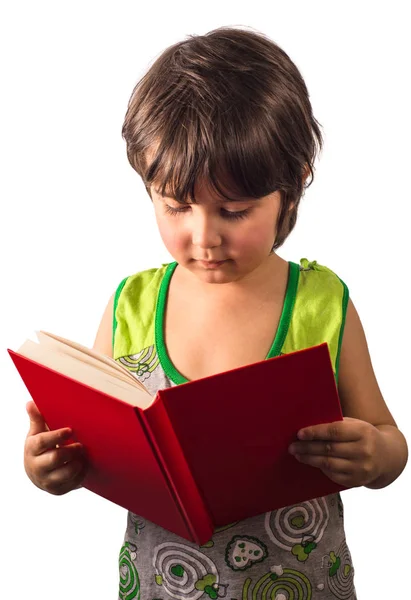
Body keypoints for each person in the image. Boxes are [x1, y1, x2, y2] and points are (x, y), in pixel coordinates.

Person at [23, 26, 408, 599]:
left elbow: (388, 441)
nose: (203, 236)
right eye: (177, 205)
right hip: (163, 583)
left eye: (234, 210)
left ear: (292, 187)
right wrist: (52, 469)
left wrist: (375, 455)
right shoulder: (131, 306)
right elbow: (95, 448)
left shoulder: (322, 303)